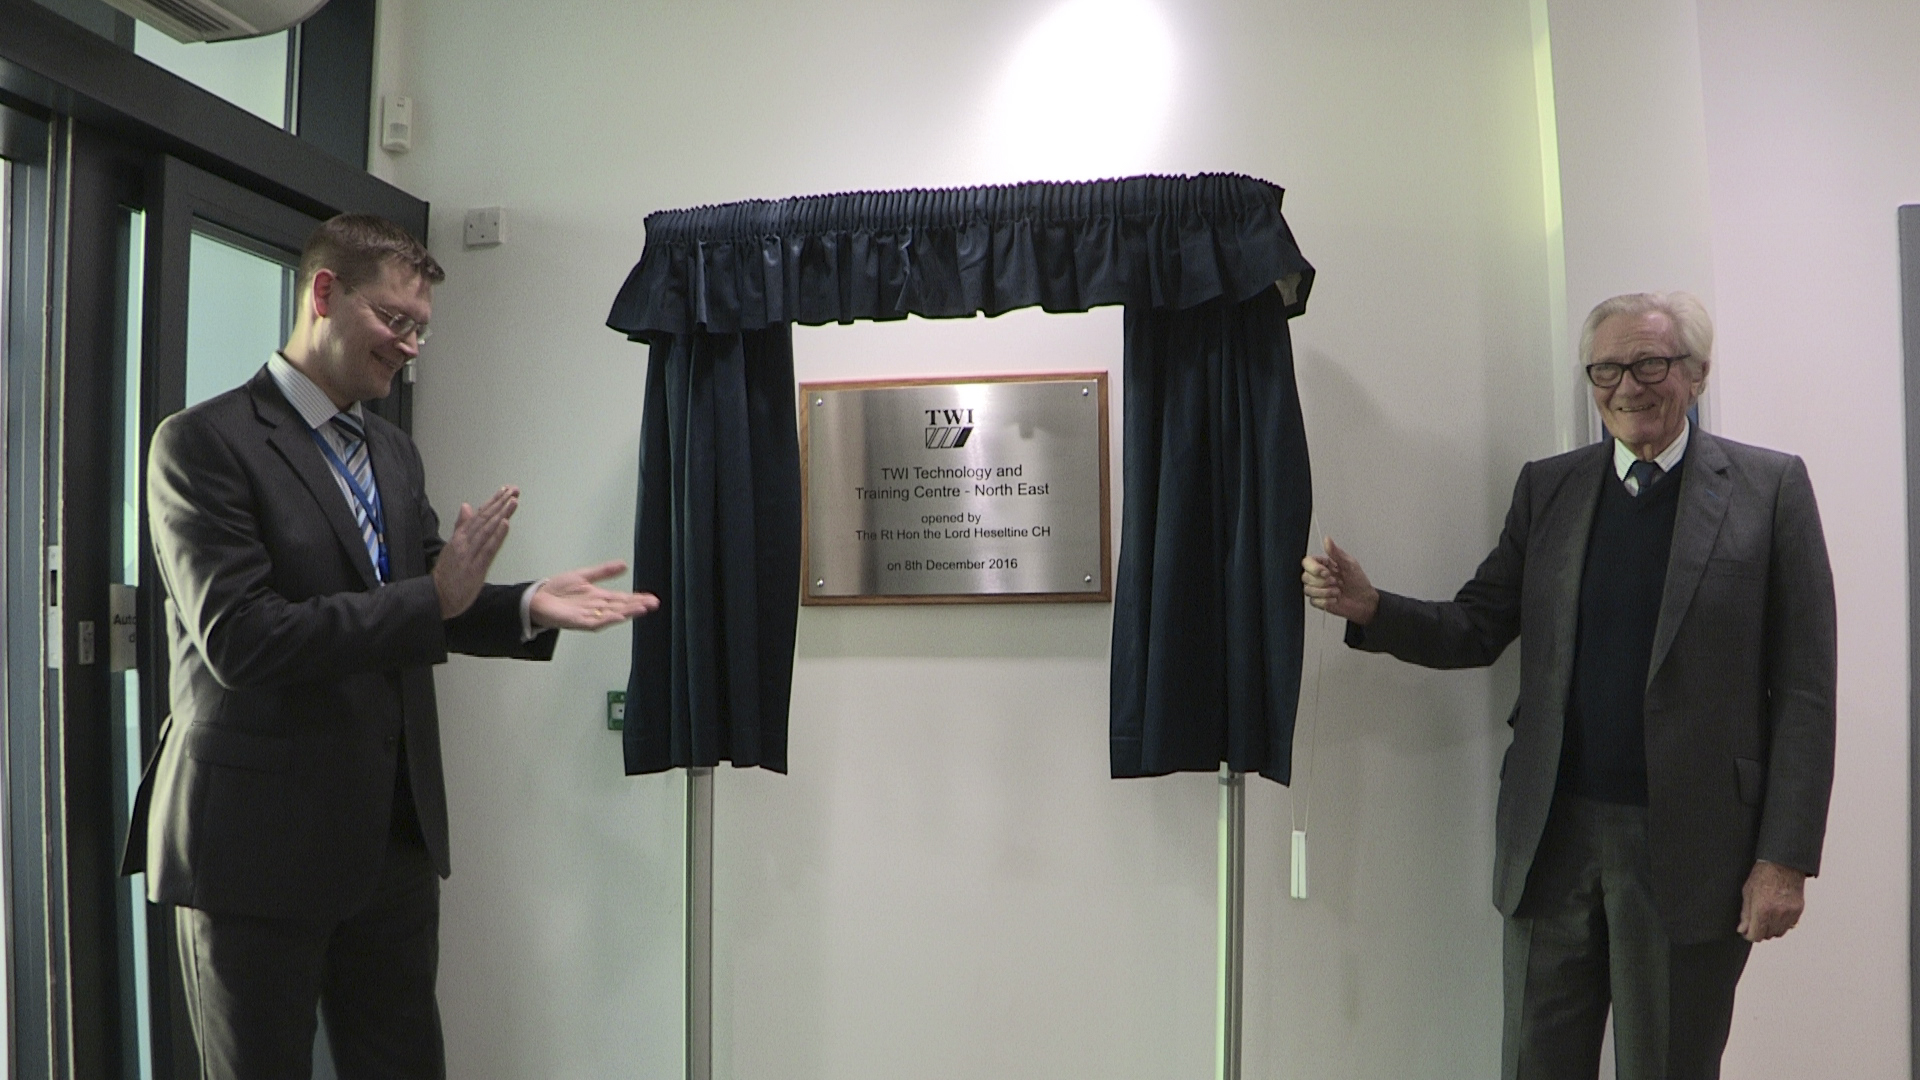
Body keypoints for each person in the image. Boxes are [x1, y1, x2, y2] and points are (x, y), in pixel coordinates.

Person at [122, 214, 659, 1078]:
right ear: (324, 294)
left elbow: (427, 590)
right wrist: (432, 598)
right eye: (395, 320)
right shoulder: (201, 444)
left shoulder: (391, 451)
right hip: (254, 851)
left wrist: (525, 605)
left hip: (390, 838)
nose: (410, 346)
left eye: (422, 330)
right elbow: (242, 637)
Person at [1302, 292, 1835, 1080]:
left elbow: (1805, 693)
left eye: (1650, 363)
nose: (1628, 386)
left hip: (1691, 851)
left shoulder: (1771, 488)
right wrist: (1374, 609)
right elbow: (1477, 626)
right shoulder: (1548, 488)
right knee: (1535, 1064)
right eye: (1606, 368)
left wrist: (1783, 859)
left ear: (1695, 371)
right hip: (1553, 840)